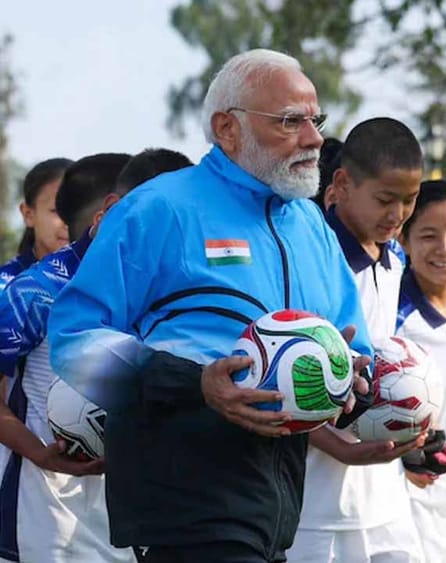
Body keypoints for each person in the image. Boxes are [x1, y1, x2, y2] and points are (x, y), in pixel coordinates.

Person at [47, 49, 373, 563]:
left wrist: (352, 377)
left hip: (277, 513)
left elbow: (356, 341)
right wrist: (194, 384)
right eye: (290, 121)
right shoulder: (158, 208)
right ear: (227, 128)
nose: (314, 139)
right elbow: (74, 339)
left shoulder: (310, 224)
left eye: (317, 121)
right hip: (183, 506)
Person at [291, 117, 427, 563]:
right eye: (385, 200)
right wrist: (339, 448)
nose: (398, 214)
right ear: (342, 185)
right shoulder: (309, 261)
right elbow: (284, 379)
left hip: (386, 502)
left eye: (409, 200)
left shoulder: (395, 260)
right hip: (315, 506)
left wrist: (417, 426)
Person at [0, 152, 134, 563]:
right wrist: (39, 452)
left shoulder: (148, 284)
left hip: (124, 509)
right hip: (45, 510)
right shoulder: (31, 292)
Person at [396, 179, 446, 562]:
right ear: (404, 240)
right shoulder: (393, 321)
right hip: (410, 497)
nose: (445, 249)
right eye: (429, 236)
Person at [0, 158, 72, 290]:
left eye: (76, 211)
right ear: (28, 214)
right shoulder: (5, 287)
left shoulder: (101, 283)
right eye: (57, 210)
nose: (68, 222)